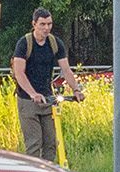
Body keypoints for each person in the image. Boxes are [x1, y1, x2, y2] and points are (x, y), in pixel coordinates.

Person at [11, 8, 84, 162]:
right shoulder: (25, 43)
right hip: (27, 100)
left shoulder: (55, 43)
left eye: (49, 24)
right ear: (34, 24)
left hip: (47, 98)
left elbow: (66, 69)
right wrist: (32, 94)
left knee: (51, 143)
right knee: (34, 143)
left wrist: (76, 90)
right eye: (42, 24)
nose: (46, 28)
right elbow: (19, 73)